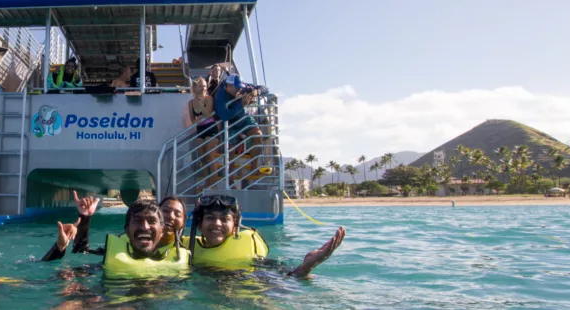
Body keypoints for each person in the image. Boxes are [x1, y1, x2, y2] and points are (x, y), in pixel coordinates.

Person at [183, 194, 346, 278]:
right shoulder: (185, 249)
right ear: (199, 224)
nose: (217, 224)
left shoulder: (249, 249)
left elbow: (283, 278)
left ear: (235, 226)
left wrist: (307, 266)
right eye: (210, 218)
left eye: (225, 219)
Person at [42, 192, 189, 279]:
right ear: (127, 229)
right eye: (166, 211)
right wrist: (60, 246)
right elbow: (82, 254)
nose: (170, 217)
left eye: (177, 214)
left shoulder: (189, 251)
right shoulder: (121, 247)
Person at [213, 73, 264, 165]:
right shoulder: (220, 95)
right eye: (237, 88)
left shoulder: (242, 87)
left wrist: (257, 92)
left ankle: (254, 167)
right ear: (229, 86)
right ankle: (230, 176)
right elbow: (224, 116)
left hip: (243, 118)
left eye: (240, 87)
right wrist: (241, 105)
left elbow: (264, 88)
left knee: (257, 134)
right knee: (230, 146)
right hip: (230, 123)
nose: (240, 90)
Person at [188, 76, 219, 191]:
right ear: (195, 87)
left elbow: (207, 114)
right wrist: (198, 118)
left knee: (209, 155)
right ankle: (207, 182)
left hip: (211, 128)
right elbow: (192, 120)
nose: (203, 88)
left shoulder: (209, 98)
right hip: (200, 129)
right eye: (201, 86)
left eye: (205, 86)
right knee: (202, 157)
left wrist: (201, 104)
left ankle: (214, 183)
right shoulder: (191, 103)